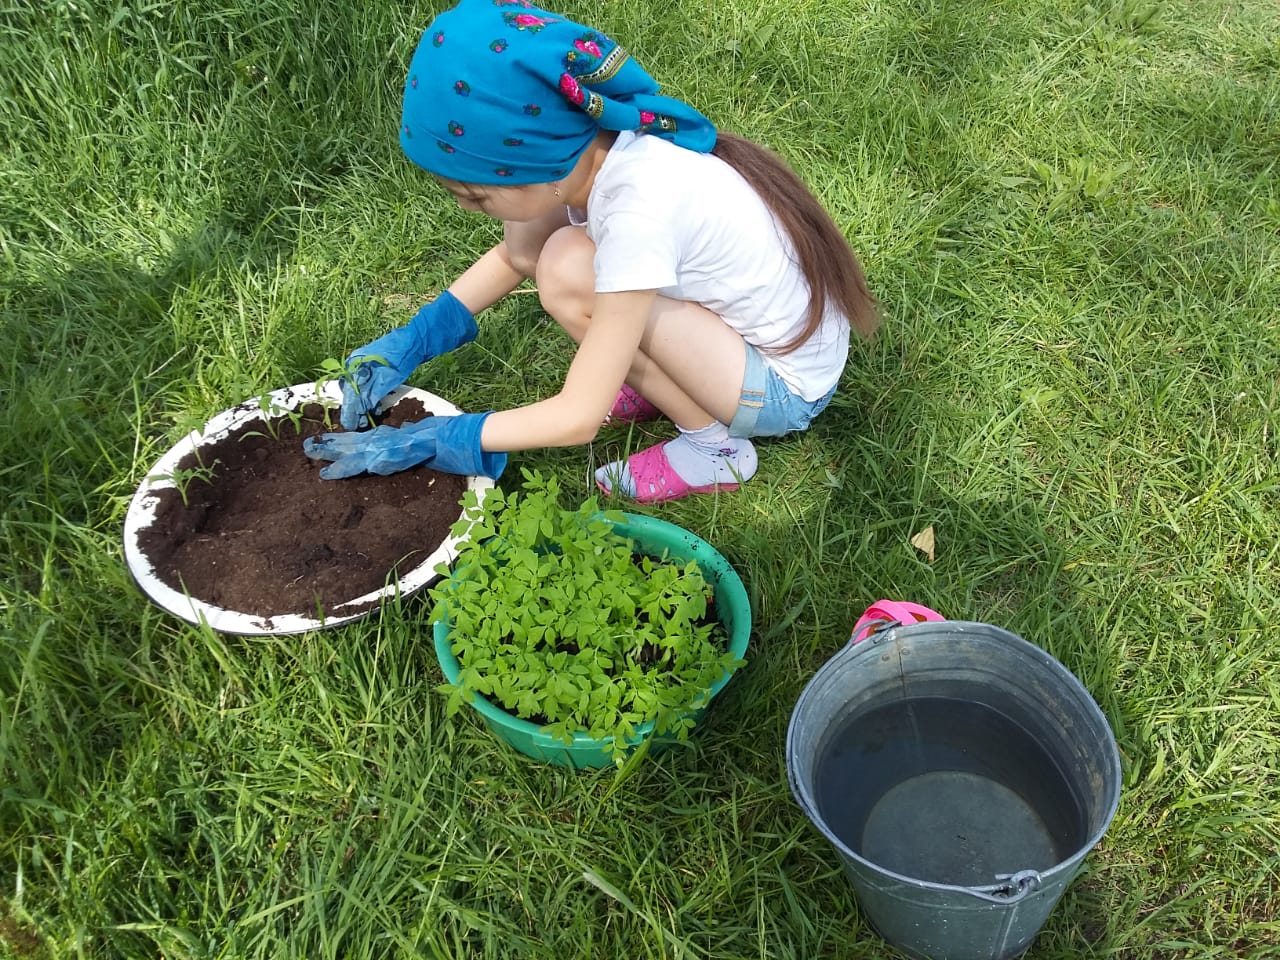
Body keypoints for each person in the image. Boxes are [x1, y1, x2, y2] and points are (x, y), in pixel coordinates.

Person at [304, 0, 878, 503]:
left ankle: (715, 450)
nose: (468, 209)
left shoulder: (638, 212)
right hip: (741, 341)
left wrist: (439, 437)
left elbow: (578, 417)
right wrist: (414, 338)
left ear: (535, 166)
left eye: (475, 196)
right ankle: (664, 382)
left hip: (781, 390)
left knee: (568, 271)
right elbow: (515, 257)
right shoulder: (591, 145)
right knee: (556, 256)